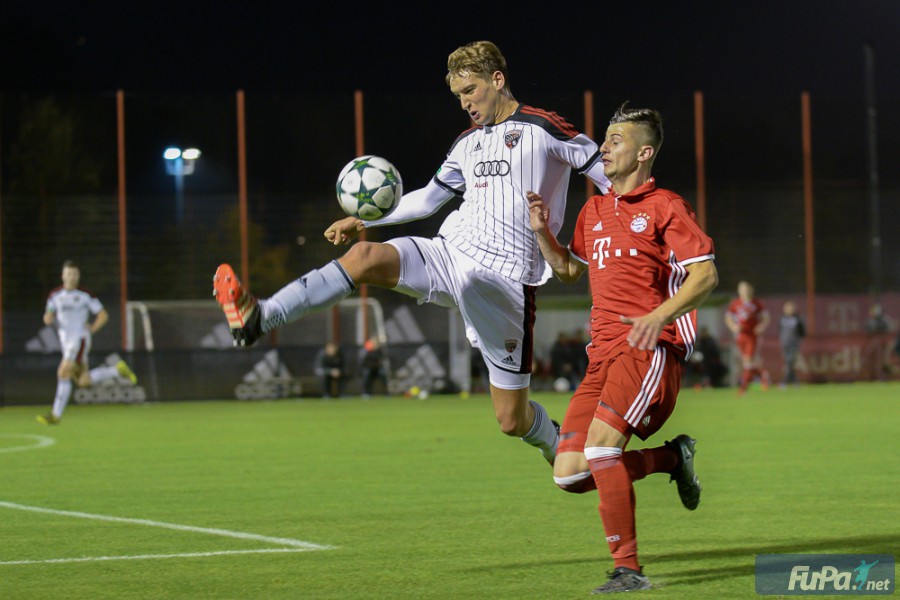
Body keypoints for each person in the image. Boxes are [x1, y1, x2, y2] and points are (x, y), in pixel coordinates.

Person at [212, 40, 609, 465]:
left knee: (511, 420)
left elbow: (608, 176)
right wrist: (366, 222)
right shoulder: (466, 143)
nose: (466, 103)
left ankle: (558, 446)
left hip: (504, 284)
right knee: (364, 257)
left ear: (498, 80)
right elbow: (427, 200)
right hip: (451, 254)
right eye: (459, 96)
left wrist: (609, 238)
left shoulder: (545, 128)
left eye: (471, 91)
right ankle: (259, 318)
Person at [527, 103, 718, 593]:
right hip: (603, 355)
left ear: (644, 152)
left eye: (616, 139)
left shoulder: (666, 207)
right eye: (605, 139)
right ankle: (672, 459)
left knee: (600, 450)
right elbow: (571, 271)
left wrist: (659, 316)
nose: (604, 147)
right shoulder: (593, 209)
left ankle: (628, 569)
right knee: (569, 474)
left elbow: (706, 274)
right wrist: (542, 233)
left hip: (648, 348)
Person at [38, 260, 137, 425]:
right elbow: (49, 314)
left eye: (74, 274)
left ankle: (55, 415)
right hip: (66, 342)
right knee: (83, 381)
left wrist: (92, 328)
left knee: (63, 372)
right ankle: (116, 371)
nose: (71, 277)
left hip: (79, 339)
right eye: (68, 274)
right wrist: (48, 318)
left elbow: (103, 315)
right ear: (63, 275)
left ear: (78, 276)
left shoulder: (85, 295)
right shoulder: (54, 295)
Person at [725, 280, 770, 395]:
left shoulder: (756, 303)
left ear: (750, 290)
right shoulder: (735, 303)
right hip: (740, 335)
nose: (744, 291)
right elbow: (728, 318)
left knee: (748, 360)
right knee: (747, 360)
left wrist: (761, 327)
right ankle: (763, 376)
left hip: (752, 335)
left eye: (745, 289)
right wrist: (734, 327)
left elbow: (766, 317)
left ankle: (743, 387)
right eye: (741, 289)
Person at [778, 300, 805, 387]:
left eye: (791, 308)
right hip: (785, 344)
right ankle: (795, 382)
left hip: (794, 344)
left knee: (790, 362)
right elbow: (780, 331)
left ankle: (784, 382)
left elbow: (802, 332)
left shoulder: (797, 319)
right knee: (788, 363)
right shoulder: (782, 319)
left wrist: (797, 339)